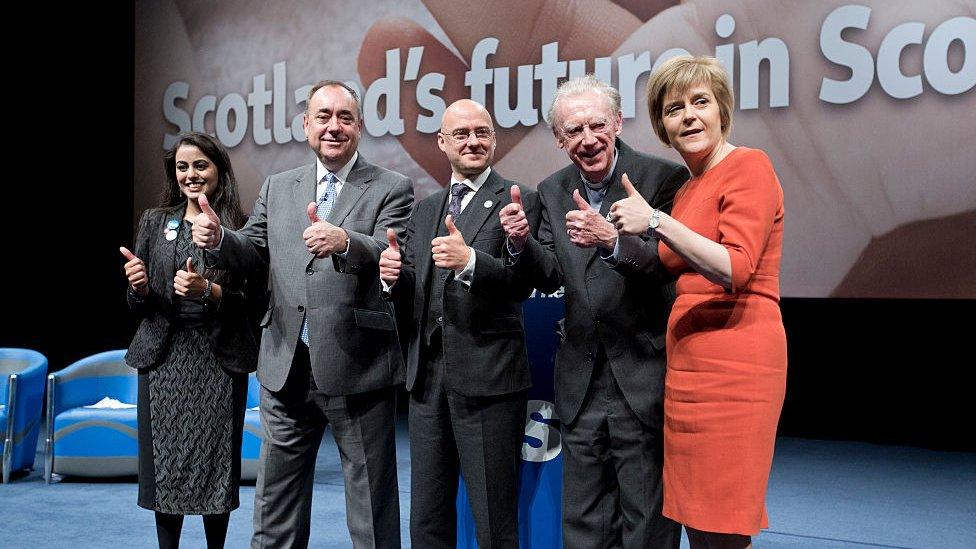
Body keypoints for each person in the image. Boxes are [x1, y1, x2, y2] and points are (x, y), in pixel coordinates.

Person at [191, 81, 414, 549]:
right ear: (306, 125)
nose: (334, 126)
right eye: (324, 116)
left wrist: (347, 242)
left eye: (345, 118)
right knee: (276, 504)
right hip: (285, 361)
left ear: (359, 126)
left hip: (359, 365)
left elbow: (396, 252)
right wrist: (219, 239)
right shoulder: (279, 184)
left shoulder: (392, 187)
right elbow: (252, 250)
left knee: (371, 505)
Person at [499, 75, 688, 548]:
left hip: (641, 375)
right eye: (573, 131)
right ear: (560, 140)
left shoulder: (663, 180)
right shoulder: (552, 189)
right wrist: (519, 243)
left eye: (596, 125)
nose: (587, 140)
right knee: (583, 523)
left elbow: (668, 267)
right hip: (579, 381)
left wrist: (613, 242)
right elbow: (546, 274)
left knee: (646, 523)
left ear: (618, 122)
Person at [610, 55, 788, 548]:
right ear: (662, 127)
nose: (687, 115)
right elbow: (666, 263)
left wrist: (656, 221)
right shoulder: (688, 189)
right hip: (687, 369)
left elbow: (735, 267)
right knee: (694, 520)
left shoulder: (749, 166)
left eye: (700, 102)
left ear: (722, 110)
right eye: (673, 109)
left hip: (736, 368)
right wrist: (614, 238)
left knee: (722, 525)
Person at [379, 99, 539, 548]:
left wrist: (471, 261)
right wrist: (393, 277)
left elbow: (525, 282)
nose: (473, 141)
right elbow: (416, 288)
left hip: (489, 380)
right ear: (442, 142)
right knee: (427, 517)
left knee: (493, 518)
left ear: (494, 139)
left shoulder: (519, 201)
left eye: (482, 132)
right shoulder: (425, 209)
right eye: (462, 134)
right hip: (427, 383)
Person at [121, 131, 259, 549]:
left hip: (217, 360)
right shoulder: (154, 221)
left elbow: (254, 302)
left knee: (214, 466)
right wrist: (138, 288)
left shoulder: (239, 226)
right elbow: (136, 304)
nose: (191, 174)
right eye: (183, 166)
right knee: (166, 467)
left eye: (201, 165)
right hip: (163, 360)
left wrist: (210, 292)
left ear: (219, 171)